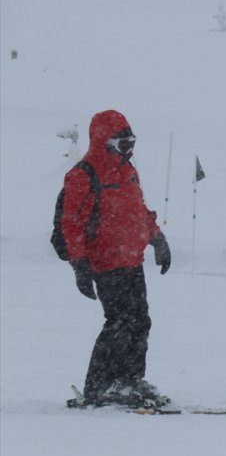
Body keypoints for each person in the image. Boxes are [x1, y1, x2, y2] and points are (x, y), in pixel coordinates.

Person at [61, 109, 172, 407]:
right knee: (119, 323)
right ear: (105, 141)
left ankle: (129, 379)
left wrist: (157, 239)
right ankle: (100, 386)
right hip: (105, 262)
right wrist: (79, 265)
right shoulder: (83, 174)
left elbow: (138, 210)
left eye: (132, 142)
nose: (130, 149)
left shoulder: (127, 170)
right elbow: (71, 224)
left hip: (131, 260)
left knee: (140, 321)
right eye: (125, 144)